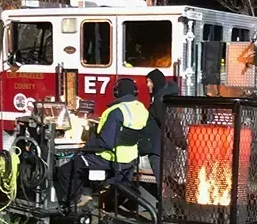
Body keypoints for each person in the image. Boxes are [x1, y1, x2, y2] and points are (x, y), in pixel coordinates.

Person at [55, 78, 149, 209]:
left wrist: (85, 147)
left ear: (117, 92)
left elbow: (106, 143)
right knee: (82, 165)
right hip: (130, 160)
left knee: (66, 169)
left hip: (109, 157)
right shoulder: (142, 109)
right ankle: (87, 195)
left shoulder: (115, 111)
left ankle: (71, 205)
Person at [138, 68, 179, 185]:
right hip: (164, 150)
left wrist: (183, 143)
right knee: (167, 183)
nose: (147, 85)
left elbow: (170, 123)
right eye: (147, 82)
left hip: (160, 151)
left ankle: (167, 203)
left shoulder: (159, 101)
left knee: (164, 184)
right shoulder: (160, 98)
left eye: (150, 82)